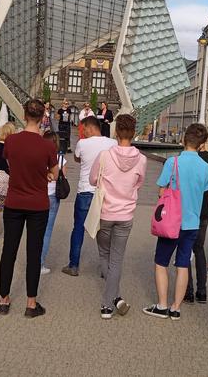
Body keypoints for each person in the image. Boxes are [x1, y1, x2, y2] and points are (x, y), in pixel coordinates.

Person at [0, 99, 58, 318]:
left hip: (14, 201)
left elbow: (11, 164)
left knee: (9, 251)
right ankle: (31, 304)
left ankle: (4, 299)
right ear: (43, 118)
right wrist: (47, 174)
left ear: (24, 115)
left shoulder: (12, 141)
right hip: (38, 204)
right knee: (34, 252)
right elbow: (54, 172)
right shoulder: (48, 145)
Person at [143, 123, 208, 320]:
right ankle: (176, 308)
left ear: (183, 140)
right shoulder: (206, 168)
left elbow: (161, 189)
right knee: (183, 264)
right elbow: (203, 192)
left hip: (172, 221)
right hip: (192, 223)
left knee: (161, 262)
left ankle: (162, 305)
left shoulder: (172, 163)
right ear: (202, 144)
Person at [89, 114, 146, 319]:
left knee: (104, 254)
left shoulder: (104, 155)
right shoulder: (142, 159)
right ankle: (115, 297)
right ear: (133, 133)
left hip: (105, 212)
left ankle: (108, 303)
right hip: (126, 214)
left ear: (115, 131)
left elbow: (93, 178)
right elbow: (138, 184)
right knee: (117, 259)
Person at [62, 116, 117, 276]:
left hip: (85, 191)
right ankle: (106, 269)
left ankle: (73, 265)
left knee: (78, 228)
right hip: (104, 192)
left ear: (91, 128)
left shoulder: (82, 144)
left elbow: (77, 158)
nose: (83, 132)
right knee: (105, 230)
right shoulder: (112, 143)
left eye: (84, 129)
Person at [185, 137, 208, 304]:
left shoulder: (187, 158)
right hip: (204, 209)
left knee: (185, 250)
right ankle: (202, 291)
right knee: (199, 249)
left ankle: (188, 291)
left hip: (188, 208)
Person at [40, 130, 67, 275]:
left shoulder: (38, 155)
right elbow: (62, 177)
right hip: (52, 196)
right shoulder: (60, 159)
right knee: (47, 231)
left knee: (35, 231)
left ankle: (32, 260)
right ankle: (40, 263)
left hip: (38, 195)